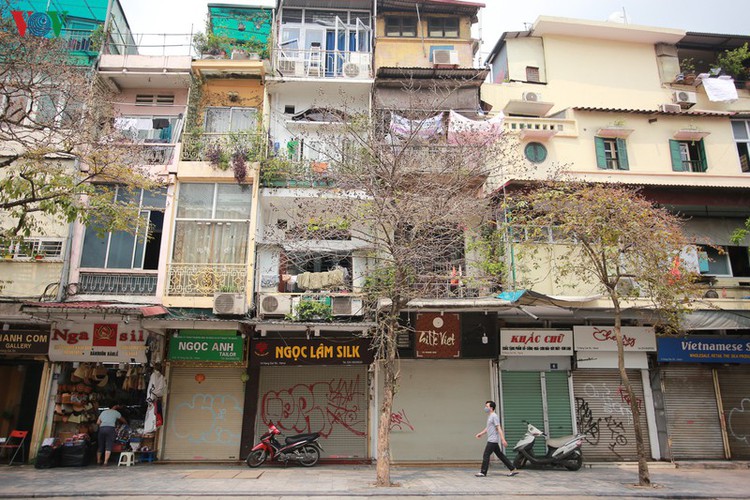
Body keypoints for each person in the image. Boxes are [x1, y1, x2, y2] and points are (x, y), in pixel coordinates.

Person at [475, 400, 518, 477]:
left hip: (493, 440)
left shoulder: (494, 416)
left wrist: (503, 439)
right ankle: (512, 468)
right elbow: (488, 428)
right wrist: (481, 433)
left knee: (486, 455)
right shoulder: (490, 416)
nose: (485, 408)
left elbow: (498, 428)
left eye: (487, 406)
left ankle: (483, 472)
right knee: (500, 455)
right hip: (492, 439)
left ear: (491, 408)